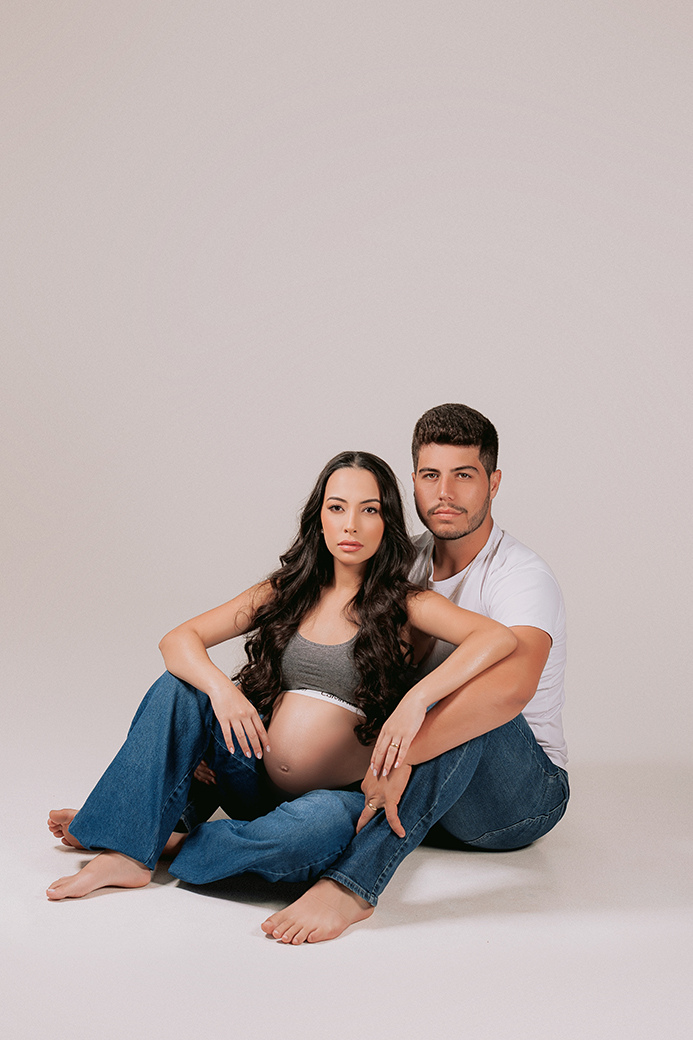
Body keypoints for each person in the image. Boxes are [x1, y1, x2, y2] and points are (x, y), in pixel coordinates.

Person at [46, 450, 516, 901]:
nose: (351, 524)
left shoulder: (408, 604)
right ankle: (126, 852)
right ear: (319, 518)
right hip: (252, 774)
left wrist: (418, 699)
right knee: (179, 687)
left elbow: (495, 638)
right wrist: (223, 693)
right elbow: (178, 640)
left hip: (334, 799)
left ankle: (160, 837)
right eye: (337, 508)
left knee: (308, 836)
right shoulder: (285, 591)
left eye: (369, 510)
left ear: (387, 522)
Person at [260, 404, 570, 944]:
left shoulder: (521, 576)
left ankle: (351, 887)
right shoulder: (401, 564)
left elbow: (511, 691)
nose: (444, 493)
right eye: (431, 475)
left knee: (472, 701)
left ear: (494, 483)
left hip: (517, 797)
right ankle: (168, 828)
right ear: (413, 481)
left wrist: (402, 740)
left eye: (463, 475)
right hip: (422, 789)